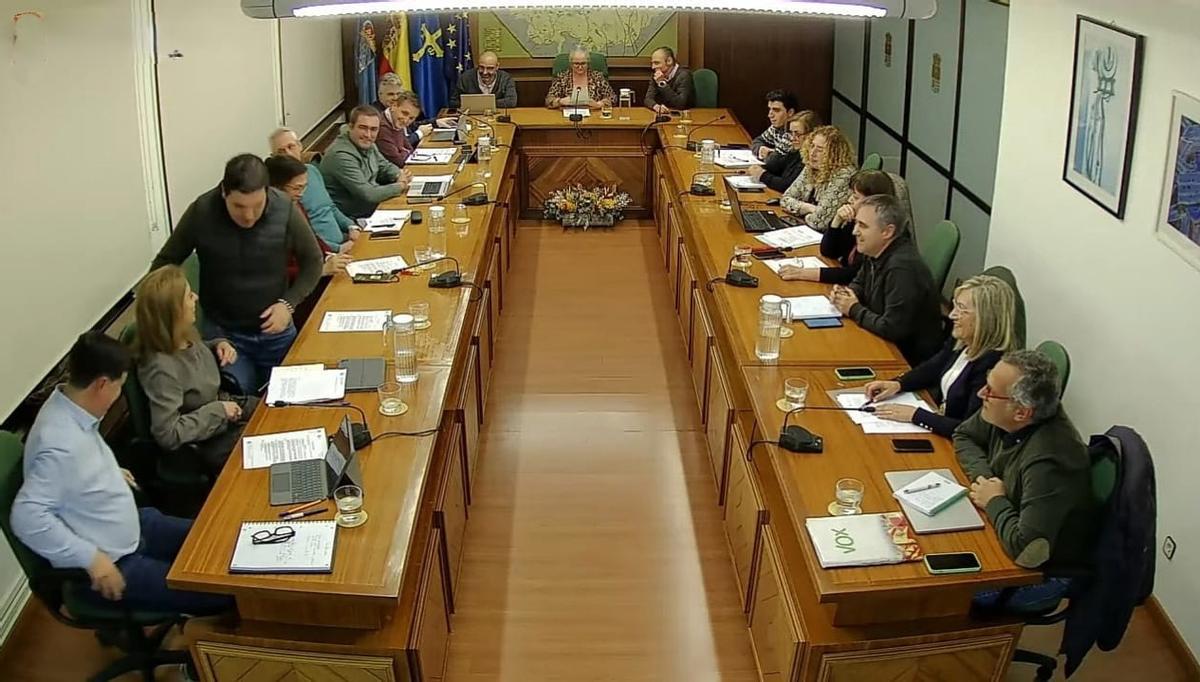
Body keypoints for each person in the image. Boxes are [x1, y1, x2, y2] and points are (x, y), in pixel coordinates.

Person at [10, 331, 233, 615]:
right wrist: (92, 559)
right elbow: (26, 517)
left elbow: (75, 464)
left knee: (223, 541)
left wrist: (108, 470)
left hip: (133, 524)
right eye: (119, 387)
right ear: (102, 384)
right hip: (115, 561)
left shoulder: (66, 402)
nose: (117, 397)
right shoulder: (58, 446)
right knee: (224, 592)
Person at [151, 154, 323, 393]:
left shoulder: (284, 207)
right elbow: (165, 262)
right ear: (224, 192)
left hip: (276, 329)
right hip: (224, 335)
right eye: (239, 206)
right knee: (243, 405)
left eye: (257, 205)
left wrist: (289, 304)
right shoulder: (201, 211)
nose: (249, 216)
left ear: (267, 192)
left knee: (291, 401)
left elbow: (313, 261)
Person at [954, 350, 1099, 611]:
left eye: (990, 391)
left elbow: (1028, 551)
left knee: (931, 592)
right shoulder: (1006, 414)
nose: (981, 394)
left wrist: (995, 499)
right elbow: (964, 435)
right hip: (1006, 529)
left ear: (1022, 412)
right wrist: (986, 480)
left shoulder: (1050, 461)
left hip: (1038, 577)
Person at [132, 266, 258, 475]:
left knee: (278, 412)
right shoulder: (161, 369)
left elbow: (193, 356)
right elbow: (167, 434)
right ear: (174, 312)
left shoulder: (183, 336)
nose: (196, 298)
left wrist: (218, 344)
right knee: (268, 441)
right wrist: (218, 411)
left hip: (225, 409)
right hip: (207, 439)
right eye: (189, 296)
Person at [864, 275, 1018, 437]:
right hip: (938, 418)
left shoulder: (993, 366)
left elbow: (969, 429)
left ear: (985, 318)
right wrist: (899, 384)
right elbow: (935, 366)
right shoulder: (963, 338)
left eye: (961, 309)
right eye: (954, 306)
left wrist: (917, 416)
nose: (952, 315)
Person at [830, 194, 944, 365]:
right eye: (856, 223)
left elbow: (892, 328)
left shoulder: (902, 268)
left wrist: (853, 308)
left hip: (903, 359)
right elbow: (860, 281)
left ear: (887, 232)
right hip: (877, 337)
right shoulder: (874, 249)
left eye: (863, 226)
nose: (855, 232)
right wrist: (847, 294)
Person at [779, 168, 897, 283]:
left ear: (874, 202)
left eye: (856, 197)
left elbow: (855, 274)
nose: (849, 200)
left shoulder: (877, 231)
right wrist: (837, 221)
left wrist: (803, 273)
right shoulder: (856, 219)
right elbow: (829, 251)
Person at [268, 127, 362, 251]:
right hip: (323, 252)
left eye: (291, 147)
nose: (288, 154)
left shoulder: (312, 171)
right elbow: (303, 237)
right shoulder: (280, 192)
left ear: (300, 146)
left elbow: (330, 207)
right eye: (281, 151)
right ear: (274, 157)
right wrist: (338, 248)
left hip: (343, 240)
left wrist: (351, 226)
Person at [265, 154, 353, 278]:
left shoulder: (296, 205)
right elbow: (274, 271)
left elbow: (311, 237)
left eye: (304, 187)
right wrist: (321, 270)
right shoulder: (267, 221)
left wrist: (329, 255)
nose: (302, 193)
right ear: (276, 187)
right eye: (297, 188)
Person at [320, 105, 413, 219]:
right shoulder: (340, 155)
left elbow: (385, 166)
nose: (368, 135)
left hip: (374, 208)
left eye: (373, 129)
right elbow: (368, 194)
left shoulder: (368, 144)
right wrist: (401, 186)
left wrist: (398, 174)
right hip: (354, 218)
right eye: (363, 128)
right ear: (351, 127)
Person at [780, 125, 857, 230]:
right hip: (806, 229)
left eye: (820, 149)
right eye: (812, 146)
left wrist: (803, 213)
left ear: (834, 153)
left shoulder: (843, 175)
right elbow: (785, 200)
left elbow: (819, 223)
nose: (812, 153)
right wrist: (809, 208)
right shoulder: (811, 167)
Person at [747, 110, 821, 193]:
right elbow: (775, 166)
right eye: (790, 133)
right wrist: (759, 169)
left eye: (797, 134)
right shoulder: (796, 151)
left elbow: (789, 186)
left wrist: (762, 175)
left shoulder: (813, 158)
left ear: (812, 134)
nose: (792, 138)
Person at [545, 47, 614, 109]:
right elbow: (549, 100)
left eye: (583, 63)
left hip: (593, 114)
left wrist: (599, 104)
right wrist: (560, 101)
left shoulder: (597, 77)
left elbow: (612, 98)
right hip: (568, 116)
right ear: (571, 63)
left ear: (588, 63)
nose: (580, 67)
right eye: (576, 64)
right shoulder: (562, 77)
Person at [449, 51, 517, 109]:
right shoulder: (466, 77)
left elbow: (511, 101)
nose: (484, 72)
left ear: (497, 67)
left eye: (490, 68)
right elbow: (453, 102)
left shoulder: (505, 78)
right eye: (481, 67)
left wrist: (478, 104)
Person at [376, 89, 421, 167]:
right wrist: (404, 151)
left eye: (411, 118)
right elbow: (399, 161)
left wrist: (402, 151)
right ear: (394, 106)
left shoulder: (396, 122)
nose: (406, 120)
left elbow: (411, 151)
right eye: (404, 113)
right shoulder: (382, 128)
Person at [750, 90, 798, 160]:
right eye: (770, 109)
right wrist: (761, 149)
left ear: (790, 112)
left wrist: (770, 154)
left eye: (776, 110)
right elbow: (757, 141)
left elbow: (775, 161)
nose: (770, 115)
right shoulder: (777, 127)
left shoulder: (794, 133)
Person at [644, 46, 693, 112]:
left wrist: (662, 83)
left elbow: (680, 104)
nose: (653, 67)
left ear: (669, 61)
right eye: (652, 63)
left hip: (684, 116)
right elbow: (648, 99)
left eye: (656, 63)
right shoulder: (656, 75)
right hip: (665, 115)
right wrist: (656, 107)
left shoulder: (684, 75)